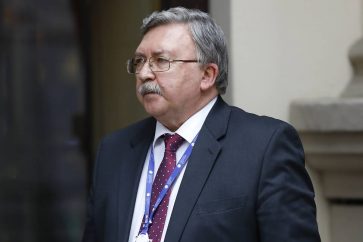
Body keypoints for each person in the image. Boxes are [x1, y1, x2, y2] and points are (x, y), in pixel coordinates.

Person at [82, 7, 320, 242]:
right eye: (140, 61)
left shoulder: (264, 147)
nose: (144, 73)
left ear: (207, 74)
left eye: (161, 60)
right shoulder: (114, 150)